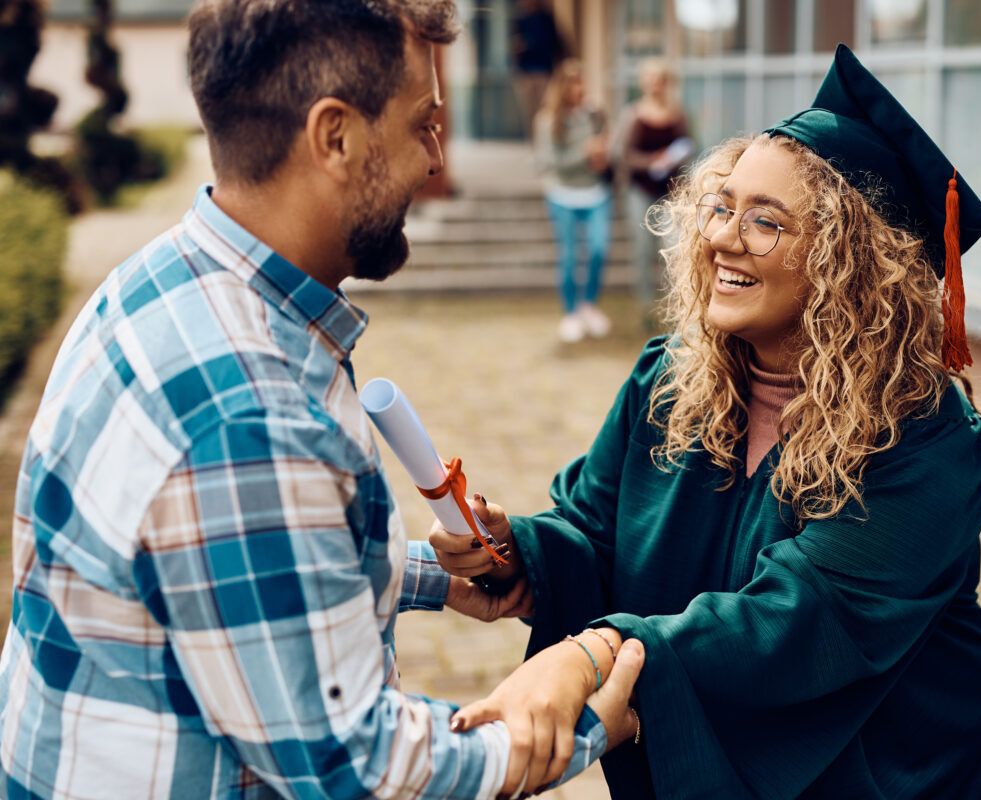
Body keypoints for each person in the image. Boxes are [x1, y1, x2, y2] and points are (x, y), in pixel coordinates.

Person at [0, 1, 642, 798]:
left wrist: (432, 577)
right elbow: (354, 768)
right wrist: (581, 723)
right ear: (334, 137)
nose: (436, 159)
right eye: (422, 125)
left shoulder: (161, 282)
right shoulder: (248, 414)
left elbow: (237, 571)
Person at [433, 45, 981, 798]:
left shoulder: (926, 440)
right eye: (721, 206)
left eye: (765, 222)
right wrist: (522, 556)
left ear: (853, 263)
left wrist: (594, 657)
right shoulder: (670, 380)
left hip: (896, 765)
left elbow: (803, 621)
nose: (719, 238)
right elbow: (596, 528)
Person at [532, 59, 613, 343]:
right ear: (563, 88)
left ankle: (588, 305)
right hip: (563, 193)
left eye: (583, 82)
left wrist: (603, 156)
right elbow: (549, 163)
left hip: (595, 193)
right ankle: (570, 313)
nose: (580, 89)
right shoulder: (548, 120)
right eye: (575, 83)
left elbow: (605, 151)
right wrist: (585, 153)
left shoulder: (593, 115)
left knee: (598, 249)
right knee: (568, 256)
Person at [612, 58, 693, 325]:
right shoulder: (633, 114)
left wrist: (675, 160)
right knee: (643, 249)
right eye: (651, 79)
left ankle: (675, 307)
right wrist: (652, 161)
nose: (655, 85)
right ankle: (645, 307)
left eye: (660, 80)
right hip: (640, 190)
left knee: (673, 250)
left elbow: (688, 147)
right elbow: (622, 155)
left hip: (671, 193)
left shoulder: (678, 114)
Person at [509, 0, 565, 138]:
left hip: (544, 72)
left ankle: (544, 142)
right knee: (529, 113)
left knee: (545, 110)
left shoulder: (546, 19)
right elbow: (513, 48)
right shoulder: (520, 20)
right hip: (526, 73)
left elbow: (557, 44)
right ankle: (534, 145)